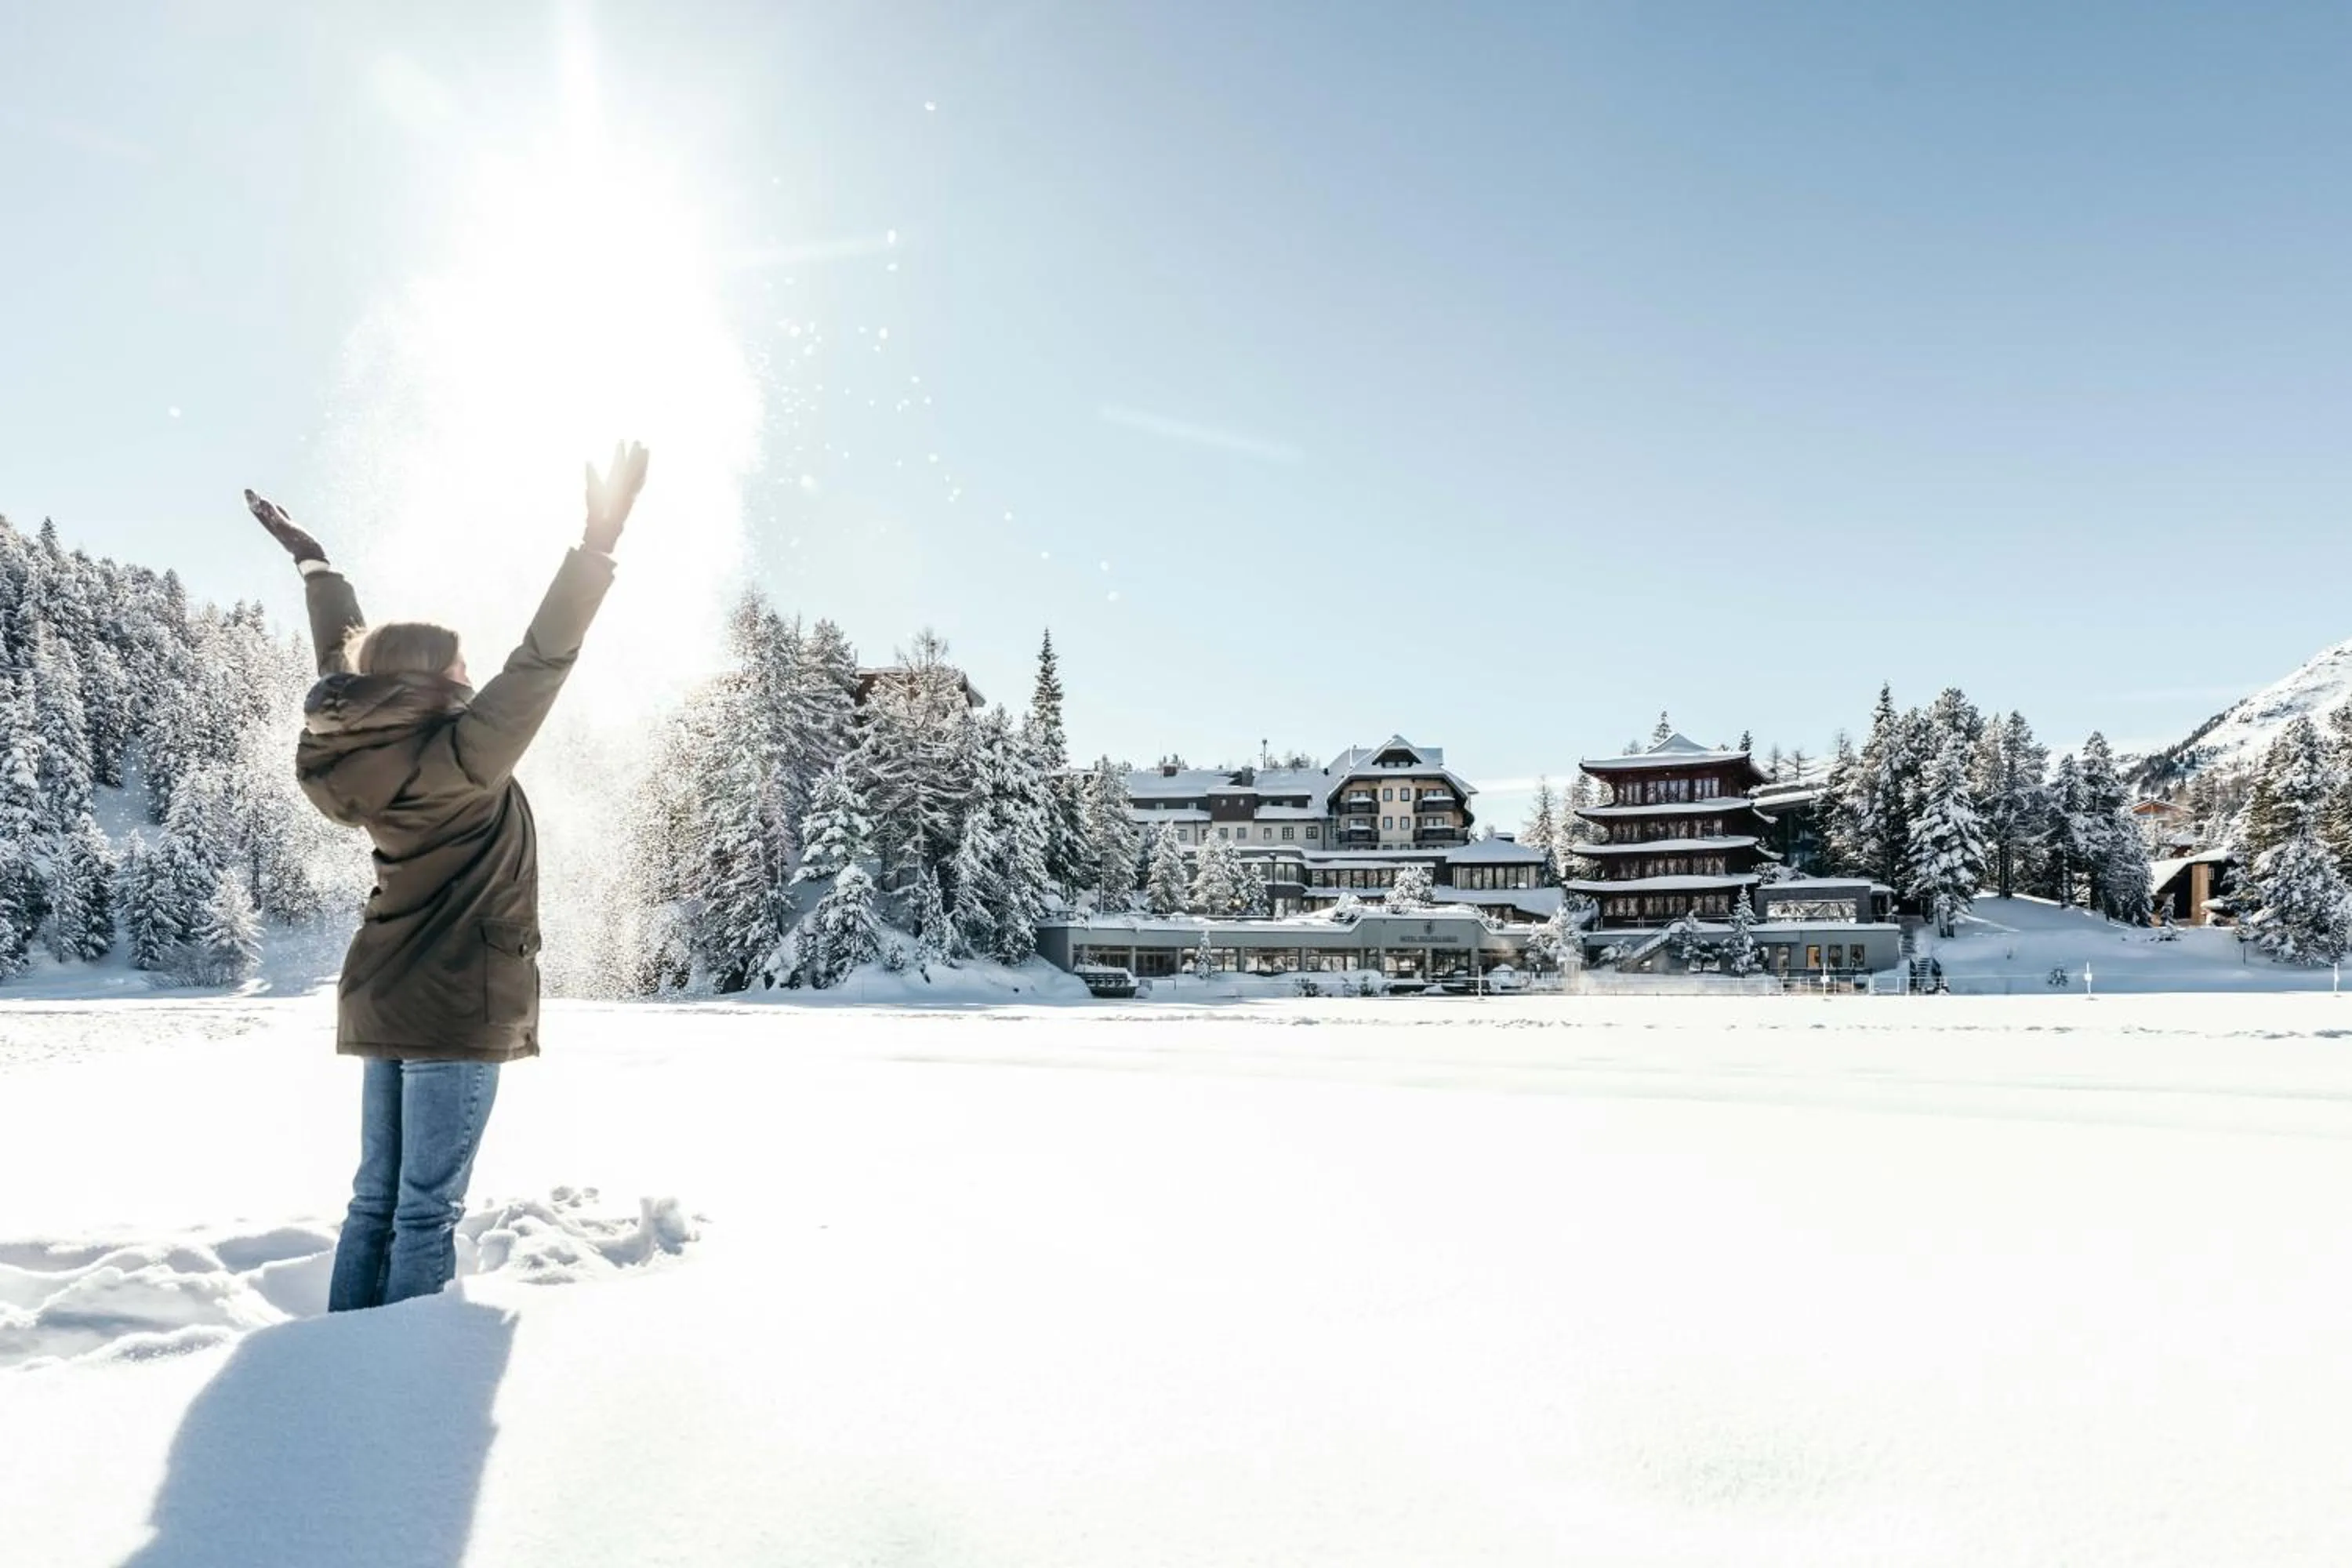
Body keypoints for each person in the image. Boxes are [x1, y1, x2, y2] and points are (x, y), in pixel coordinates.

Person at [247, 443, 650, 1311]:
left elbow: (343, 670)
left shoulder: (363, 748)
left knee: (375, 1202)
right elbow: (541, 660)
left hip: (384, 991)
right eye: (462, 667)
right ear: (434, 679)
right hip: (456, 998)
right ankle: (402, 1375)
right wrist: (597, 544)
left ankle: (339, 1357)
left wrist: (316, 566)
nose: (472, 675)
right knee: (427, 1210)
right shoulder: (466, 755)